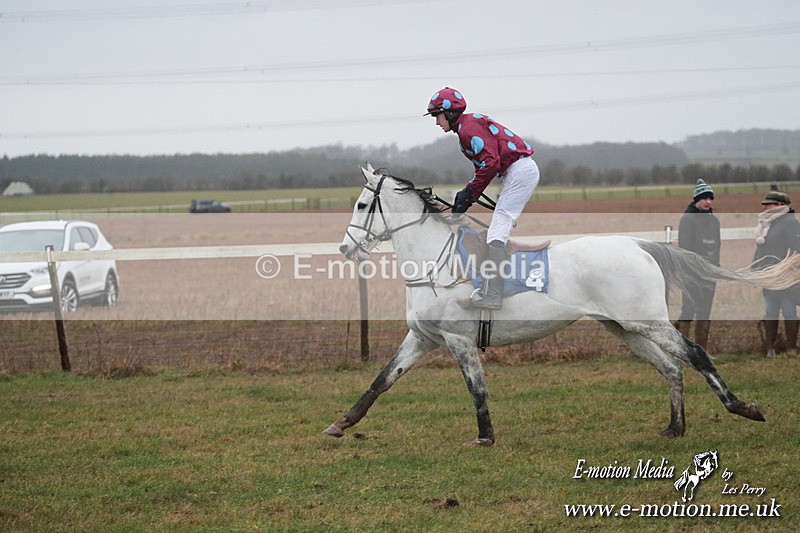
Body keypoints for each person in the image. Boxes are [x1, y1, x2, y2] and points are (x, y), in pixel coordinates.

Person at [424, 87, 540, 309]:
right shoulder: (466, 128)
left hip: (520, 170)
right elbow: (486, 167)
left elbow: (491, 164)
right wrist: (465, 197)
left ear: (449, 113)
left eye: (436, 116)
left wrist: (469, 193)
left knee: (497, 230)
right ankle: (491, 288)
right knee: (497, 228)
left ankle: (493, 294)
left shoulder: (468, 129)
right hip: (517, 171)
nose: (436, 122)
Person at [753, 189, 800, 356]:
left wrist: (786, 269)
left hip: (786, 276)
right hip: (769, 276)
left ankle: (791, 347)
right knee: (771, 310)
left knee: (788, 310)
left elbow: (797, 249)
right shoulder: (766, 224)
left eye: (769, 204)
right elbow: (761, 251)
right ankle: (770, 348)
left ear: (780, 205)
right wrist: (755, 270)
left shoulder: (790, 223)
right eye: (765, 204)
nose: (765, 207)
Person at [675, 179, 720, 349]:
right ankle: (681, 348)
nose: (708, 201)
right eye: (705, 198)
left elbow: (717, 248)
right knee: (689, 309)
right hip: (691, 273)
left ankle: (701, 350)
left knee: (705, 311)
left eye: (711, 198)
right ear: (696, 199)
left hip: (709, 273)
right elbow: (685, 248)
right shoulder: (688, 219)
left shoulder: (714, 221)